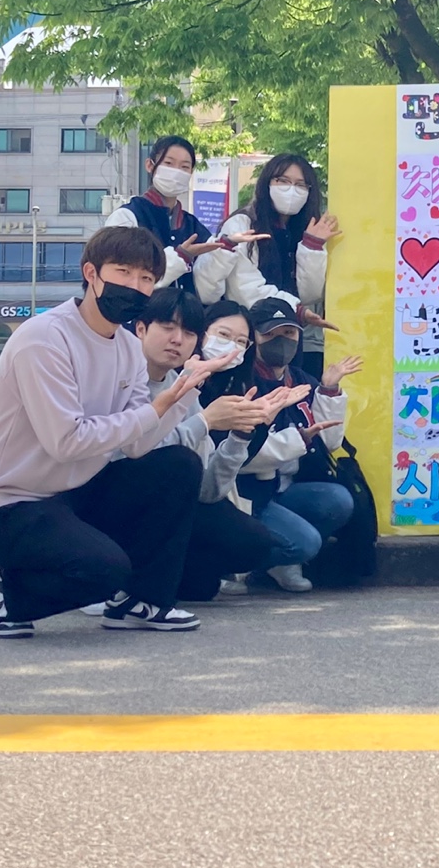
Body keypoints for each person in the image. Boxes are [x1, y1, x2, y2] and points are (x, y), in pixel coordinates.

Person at [0, 226, 235, 638]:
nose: (135, 286)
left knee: (178, 464)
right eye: (123, 272)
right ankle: (10, 594)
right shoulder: (44, 339)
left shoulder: (128, 348)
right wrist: (156, 408)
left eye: (146, 278)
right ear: (91, 273)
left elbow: (137, 445)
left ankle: (143, 601)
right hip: (5, 506)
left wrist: (181, 393)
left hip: (71, 495)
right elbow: (66, 441)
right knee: (104, 570)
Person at [132, 287, 307, 601]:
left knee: (244, 550)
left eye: (241, 342)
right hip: (117, 499)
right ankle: (129, 582)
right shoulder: (124, 379)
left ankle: (164, 574)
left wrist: (243, 434)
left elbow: (208, 490)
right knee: (180, 463)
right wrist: (206, 421)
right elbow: (136, 453)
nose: (177, 340)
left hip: (194, 504)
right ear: (141, 329)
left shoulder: (220, 387)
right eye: (168, 328)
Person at [207, 297, 360, 592]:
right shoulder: (241, 381)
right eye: (270, 334)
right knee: (306, 543)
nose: (281, 341)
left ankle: (274, 561)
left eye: (288, 333)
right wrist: (298, 440)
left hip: (283, 488)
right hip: (245, 494)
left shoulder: (301, 380)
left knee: (338, 500)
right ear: (253, 339)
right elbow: (241, 457)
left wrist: (328, 390)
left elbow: (329, 442)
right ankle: (230, 564)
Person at [194, 154, 339, 376]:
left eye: (300, 185)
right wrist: (296, 309)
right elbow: (245, 288)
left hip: (289, 333)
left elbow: (309, 294)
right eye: (283, 181)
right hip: (250, 332)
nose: (291, 190)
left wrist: (313, 246)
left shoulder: (304, 228)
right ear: (267, 182)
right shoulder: (243, 223)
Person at [105, 135, 266, 294]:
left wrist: (226, 246)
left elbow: (207, 292)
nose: (176, 172)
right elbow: (122, 278)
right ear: (149, 165)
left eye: (184, 167)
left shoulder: (192, 225)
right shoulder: (127, 217)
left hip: (186, 310)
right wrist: (181, 256)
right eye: (168, 163)